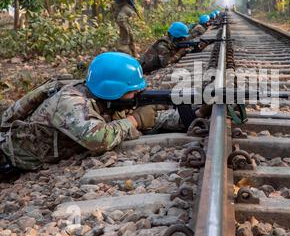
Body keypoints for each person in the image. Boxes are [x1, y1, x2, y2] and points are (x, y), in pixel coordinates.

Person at [0, 52, 211, 180]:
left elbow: (153, 120)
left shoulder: (106, 99)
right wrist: (134, 120)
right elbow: (98, 139)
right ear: (112, 89)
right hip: (8, 161)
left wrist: (195, 114)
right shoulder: (70, 103)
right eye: (133, 90)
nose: (139, 93)